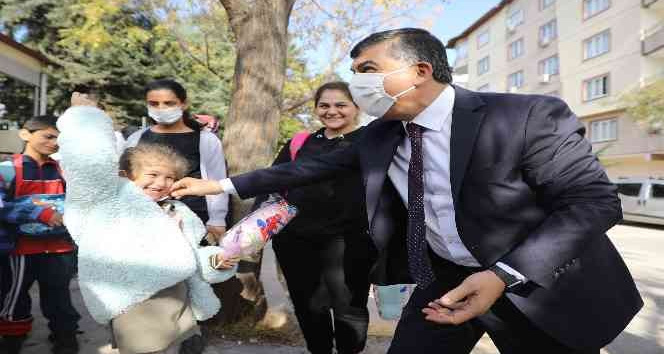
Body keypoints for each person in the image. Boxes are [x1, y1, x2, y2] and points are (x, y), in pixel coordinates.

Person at [171, 28, 643, 354]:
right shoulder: (380, 134)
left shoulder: (524, 116)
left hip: (534, 284)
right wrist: (220, 183)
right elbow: (308, 169)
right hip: (446, 279)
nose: (358, 83)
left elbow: (593, 202)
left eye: (368, 69)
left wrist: (503, 273)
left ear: (418, 70)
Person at [57, 95, 238, 354]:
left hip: (180, 302)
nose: (160, 183)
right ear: (126, 176)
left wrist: (215, 261)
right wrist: (86, 119)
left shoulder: (180, 211)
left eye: (169, 177)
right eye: (152, 175)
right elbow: (89, 165)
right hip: (134, 302)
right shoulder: (105, 203)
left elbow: (193, 255)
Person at [257, 82, 371, 354]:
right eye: (325, 105)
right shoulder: (300, 143)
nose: (332, 111)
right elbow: (272, 184)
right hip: (296, 242)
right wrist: (253, 232)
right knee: (309, 307)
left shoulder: (370, 141)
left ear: (356, 107)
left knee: (349, 308)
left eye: (340, 104)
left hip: (350, 242)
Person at [0, 115, 80, 354]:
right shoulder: (6, 170)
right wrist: (40, 213)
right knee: (14, 296)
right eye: (48, 136)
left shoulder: (64, 170)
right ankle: (13, 337)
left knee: (59, 296)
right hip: (20, 250)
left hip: (60, 249)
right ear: (25, 134)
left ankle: (65, 337)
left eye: (60, 138)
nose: (55, 143)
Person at [125, 79, 229, 242]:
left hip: (193, 222)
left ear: (184, 104)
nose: (161, 108)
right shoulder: (136, 138)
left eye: (168, 103)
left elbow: (217, 181)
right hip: (141, 219)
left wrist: (217, 220)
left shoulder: (206, 140)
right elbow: (125, 180)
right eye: (154, 103)